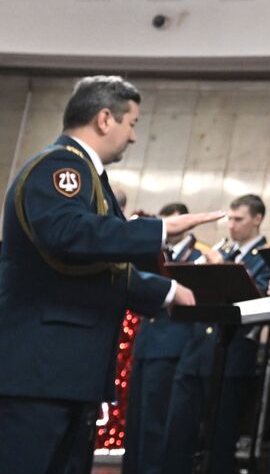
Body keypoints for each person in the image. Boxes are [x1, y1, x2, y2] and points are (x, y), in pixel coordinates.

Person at [0, 75, 220, 474]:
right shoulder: (61, 165)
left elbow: (101, 268)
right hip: (40, 370)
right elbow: (66, 234)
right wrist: (159, 230)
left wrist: (167, 291)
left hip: (62, 370)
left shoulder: (86, 172)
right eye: (131, 123)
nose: (133, 136)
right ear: (105, 119)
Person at [164, 193, 270, 474]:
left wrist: (221, 268)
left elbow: (258, 300)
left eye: (239, 219)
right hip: (197, 351)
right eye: (230, 219)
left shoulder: (264, 257)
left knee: (219, 438)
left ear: (257, 219)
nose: (232, 225)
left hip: (231, 354)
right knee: (178, 433)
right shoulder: (226, 250)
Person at [124, 202, 212, 474]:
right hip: (147, 342)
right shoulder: (153, 253)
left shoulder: (200, 255)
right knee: (137, 422)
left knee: (158, 423)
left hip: (174, 342)